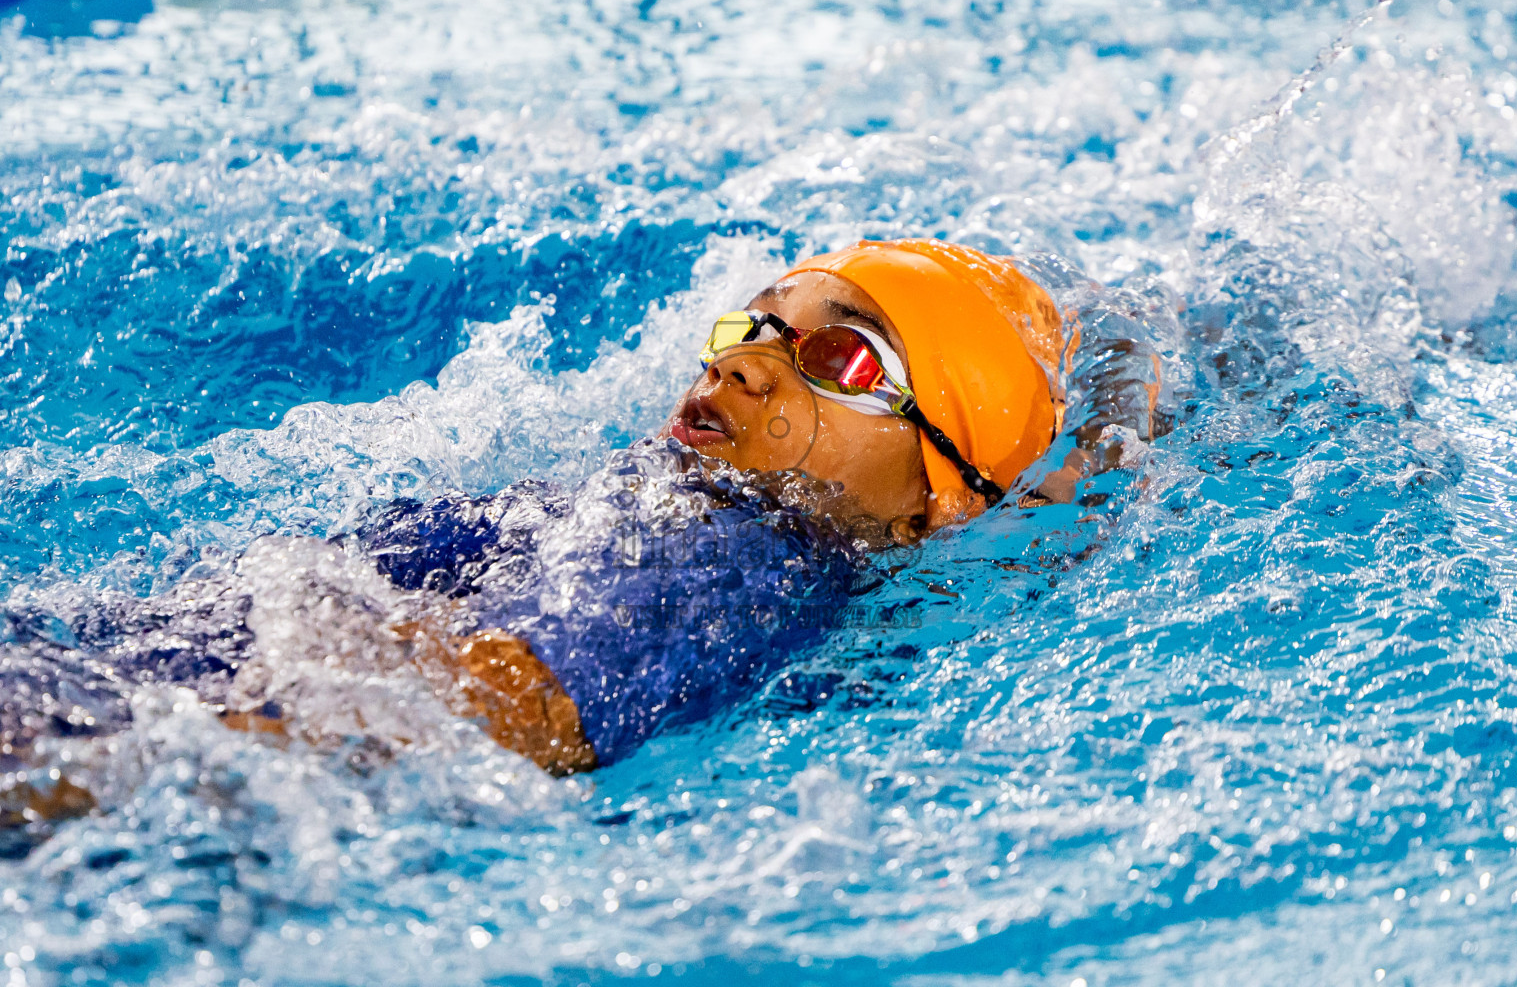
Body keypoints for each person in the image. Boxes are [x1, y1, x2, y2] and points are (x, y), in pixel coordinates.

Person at [0, 239, 1162, 834]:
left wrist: (93, 775)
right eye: (758, 324)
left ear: (936, 497)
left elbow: (510, 710)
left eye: (840, 358)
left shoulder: (752, 557)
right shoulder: (644, 497)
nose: (744, 361)